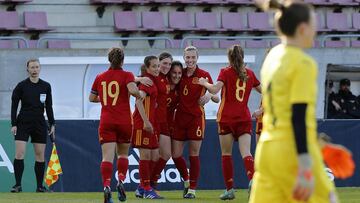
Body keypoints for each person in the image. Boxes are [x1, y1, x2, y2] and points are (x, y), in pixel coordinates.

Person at [249, 0, 337, 202]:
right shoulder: (303, 63)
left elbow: (282, 110)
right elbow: (297, 116)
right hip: (292, 153)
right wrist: (306, 164)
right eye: (315, 24)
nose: (317, 30)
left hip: (267, 150)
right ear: (303, 28)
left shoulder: (272, 56)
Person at [198, 45, 261, 200]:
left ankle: (230, 189)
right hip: (244, 117)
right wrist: (261, 110)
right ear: (243, 57)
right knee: (246, 152)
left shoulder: (225, 72)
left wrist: (204, 83)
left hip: (226, 117)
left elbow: (214, 90)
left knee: (226, 154)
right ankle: (253, 180)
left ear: (229, 57)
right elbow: (267, 91)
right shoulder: (250, 74)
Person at [89, 47, 141, 203]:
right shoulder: (127, 75)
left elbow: (92, 98)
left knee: (107, 157)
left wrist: (106, 100)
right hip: (124, 120)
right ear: (123, 61)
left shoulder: (100, 77)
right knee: (123, 154)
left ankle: (106, 186)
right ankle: (121, 180)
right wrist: (138, 92)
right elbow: (132, 91)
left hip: (107, 120)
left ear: (109, 60)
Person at [172, 46, 218, 199]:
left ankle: (192, 189)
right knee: (176, 154)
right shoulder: (180, 73)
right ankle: (186, 179)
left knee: (194, 154)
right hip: (179, 118)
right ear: (184, 58)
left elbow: (216, 96)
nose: (190, 60)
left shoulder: (204, 75)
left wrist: (209, 96)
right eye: (187, 57)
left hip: (196, 119)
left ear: (197, 58)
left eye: (193, 57)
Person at [10, 59, 55, 193]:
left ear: (40, 68)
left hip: (39, 123)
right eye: (32, 67)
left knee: (40, 155)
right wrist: (14, 124)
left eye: (37, 67)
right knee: (19, 153)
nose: (34, 70)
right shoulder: (21, 86)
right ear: (27, 69)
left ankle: (39, 187)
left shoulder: (46, 86)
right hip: (23, 122)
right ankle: (17, 185)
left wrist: (52, 123)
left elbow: (49, 106)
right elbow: (14, 106)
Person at [131, 56, 163, 199]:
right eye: (154, 66)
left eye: (158, 66)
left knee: (155, 155)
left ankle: (141, 187)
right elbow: (138, 100)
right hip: (142, 124)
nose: (157, 69)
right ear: (147, 68)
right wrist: (146, 121)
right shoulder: (147, 82)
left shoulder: (151, 80)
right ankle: (146, 189)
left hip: (150, 123)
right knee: (145, 155)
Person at [150, 52, 173, 188]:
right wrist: (138, 79)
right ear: (158, 63)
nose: (167, 66)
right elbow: (135, 80)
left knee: (166, 153)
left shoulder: (166, 79)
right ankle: (146, 185)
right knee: (152, 155)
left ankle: (151, 181)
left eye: (169, 64)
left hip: (163, 120)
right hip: (153, 120)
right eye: (164, 63)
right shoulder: (152, 76)